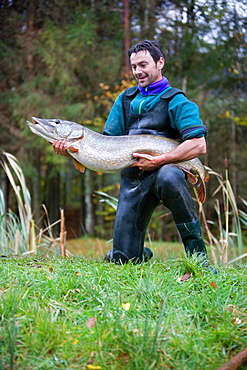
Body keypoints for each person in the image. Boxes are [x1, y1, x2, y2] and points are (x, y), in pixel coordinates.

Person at [53, 40, 209, 266]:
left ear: (160, 62)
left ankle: (199, 260)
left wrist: (160, 161)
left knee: (168, 175)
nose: (138, 71)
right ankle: (137, 252)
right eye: (134, 66)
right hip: (133, 183)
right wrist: (71, 151)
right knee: (123, 259)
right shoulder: (124, 100)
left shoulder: (177, 101)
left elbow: (198, 145)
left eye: (143, 65)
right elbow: (105, 144)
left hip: (166, 177)